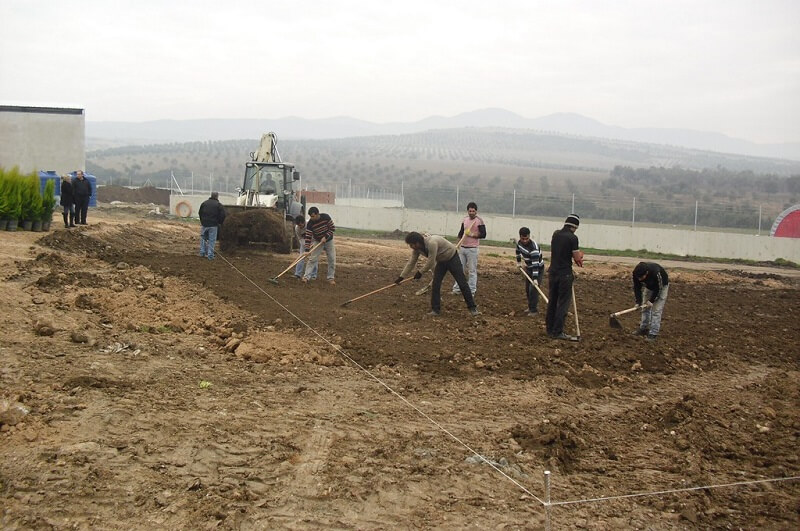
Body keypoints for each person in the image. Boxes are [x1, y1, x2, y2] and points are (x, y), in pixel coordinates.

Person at [398, 231, 480, 317]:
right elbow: (411, 262)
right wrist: (401, 277)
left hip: (452, 258)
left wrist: (420, 272)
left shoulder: (431, 243)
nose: (411, 247)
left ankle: (472, 308)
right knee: (435, 284)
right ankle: (435, 310)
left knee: (462, 283)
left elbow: (431, 261)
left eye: (411, 244)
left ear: (417, 242)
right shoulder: (417, 249)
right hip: (441, 261)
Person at [545, 214, 583, 341]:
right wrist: (581, 255)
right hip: (565, 274)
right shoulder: (573, 238)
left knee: (552, 301)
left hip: (553, 272)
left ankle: (549, 329)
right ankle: (558, 331)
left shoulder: (556, 234)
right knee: (563, 303)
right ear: (574, 226)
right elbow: (577, 258)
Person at [451, 202, 486, 296]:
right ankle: (457, 289)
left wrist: (472, 234)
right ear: (467, 211)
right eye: (470, 211)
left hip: (472, 249)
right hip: (462, 248)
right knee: (459, 269)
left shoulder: (479, 221)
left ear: (476, 211)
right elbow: (461, 232)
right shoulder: (465, 220)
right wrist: (457, 245)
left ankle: (471, 291)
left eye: (473, 211)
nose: (471, 213)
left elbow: (483, 234)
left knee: (472, 270)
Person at [632, 262, 670, 341]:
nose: (639, 279)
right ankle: (643, 329)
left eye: (641, 277)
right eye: (638, 277)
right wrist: (638, 301)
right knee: (644, 308)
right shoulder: (636, 274)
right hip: (649, 287)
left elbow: (659, 289)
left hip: (661, 287)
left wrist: (652, 301)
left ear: (647, 273)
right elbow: (637, 288)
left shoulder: (656, 273)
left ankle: (653, 333)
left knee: (656, 310)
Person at [302, 207, 336, 285]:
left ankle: (330, 278)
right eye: (310, 216)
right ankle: (306, 277)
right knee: (312, 259)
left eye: (313, 216)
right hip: (318, 241)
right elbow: (308, 236)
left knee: (332, 259)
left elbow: (332, 228)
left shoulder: (326, 217)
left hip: (329, 241)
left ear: (317, 214)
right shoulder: (310, 223)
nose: (312, 218)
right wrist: (306, 250)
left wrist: (326, 237)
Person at [515, 227, 544, 315]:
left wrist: (535, 278)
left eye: (526, 238)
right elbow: (518, 251)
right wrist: (519, 262)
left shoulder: (533, 248)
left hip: (538, 268)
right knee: (528, 289)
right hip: (529, 268)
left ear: (529, 236)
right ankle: (530, 307)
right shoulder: (519, 243)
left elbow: (536, 265)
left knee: (533, 289)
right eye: (522, 239)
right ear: (520, 237)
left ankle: (533, 310)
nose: (524, 241)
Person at [198, 191, 226, 260]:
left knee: (203, 239)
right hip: (213, 225)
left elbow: (200, 213)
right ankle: (210, 255)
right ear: (217, 196)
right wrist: (220, 222)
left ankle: (202, 253)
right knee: (211, 240)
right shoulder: (219, 205)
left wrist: (202, 221)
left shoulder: (204, 203)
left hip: (204, 224)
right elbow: (223, 215)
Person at [293, 215, 317, 280]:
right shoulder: (297, 228)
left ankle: (313, 275)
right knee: (301, 257)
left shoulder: (310, 224)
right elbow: (300, 238)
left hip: (313, 242)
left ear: (304, 222)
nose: (300, 227)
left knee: (313, 258)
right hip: (304, 244)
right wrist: (305, 245)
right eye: (299, 225)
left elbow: (315, 235)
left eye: (301, 225)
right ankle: (298, 274)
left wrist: (311, 245)